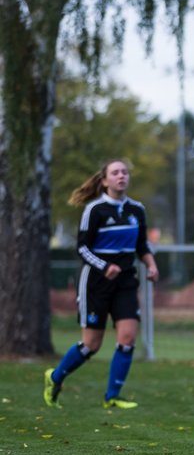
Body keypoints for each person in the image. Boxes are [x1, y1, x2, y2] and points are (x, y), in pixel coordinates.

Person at [44, 158, 159, 410]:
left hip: (126, 281)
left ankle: (112, 396)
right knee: (91, 345)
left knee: (128, 337)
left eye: (125, 172)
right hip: (95, 283)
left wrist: (151, 264)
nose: (121, 176)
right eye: (115, 172)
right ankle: (55, 378)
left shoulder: (137, 210)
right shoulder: (94, 210)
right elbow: (81, 248)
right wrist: (104, 266)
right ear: (105, 180)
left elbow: (142, 245)